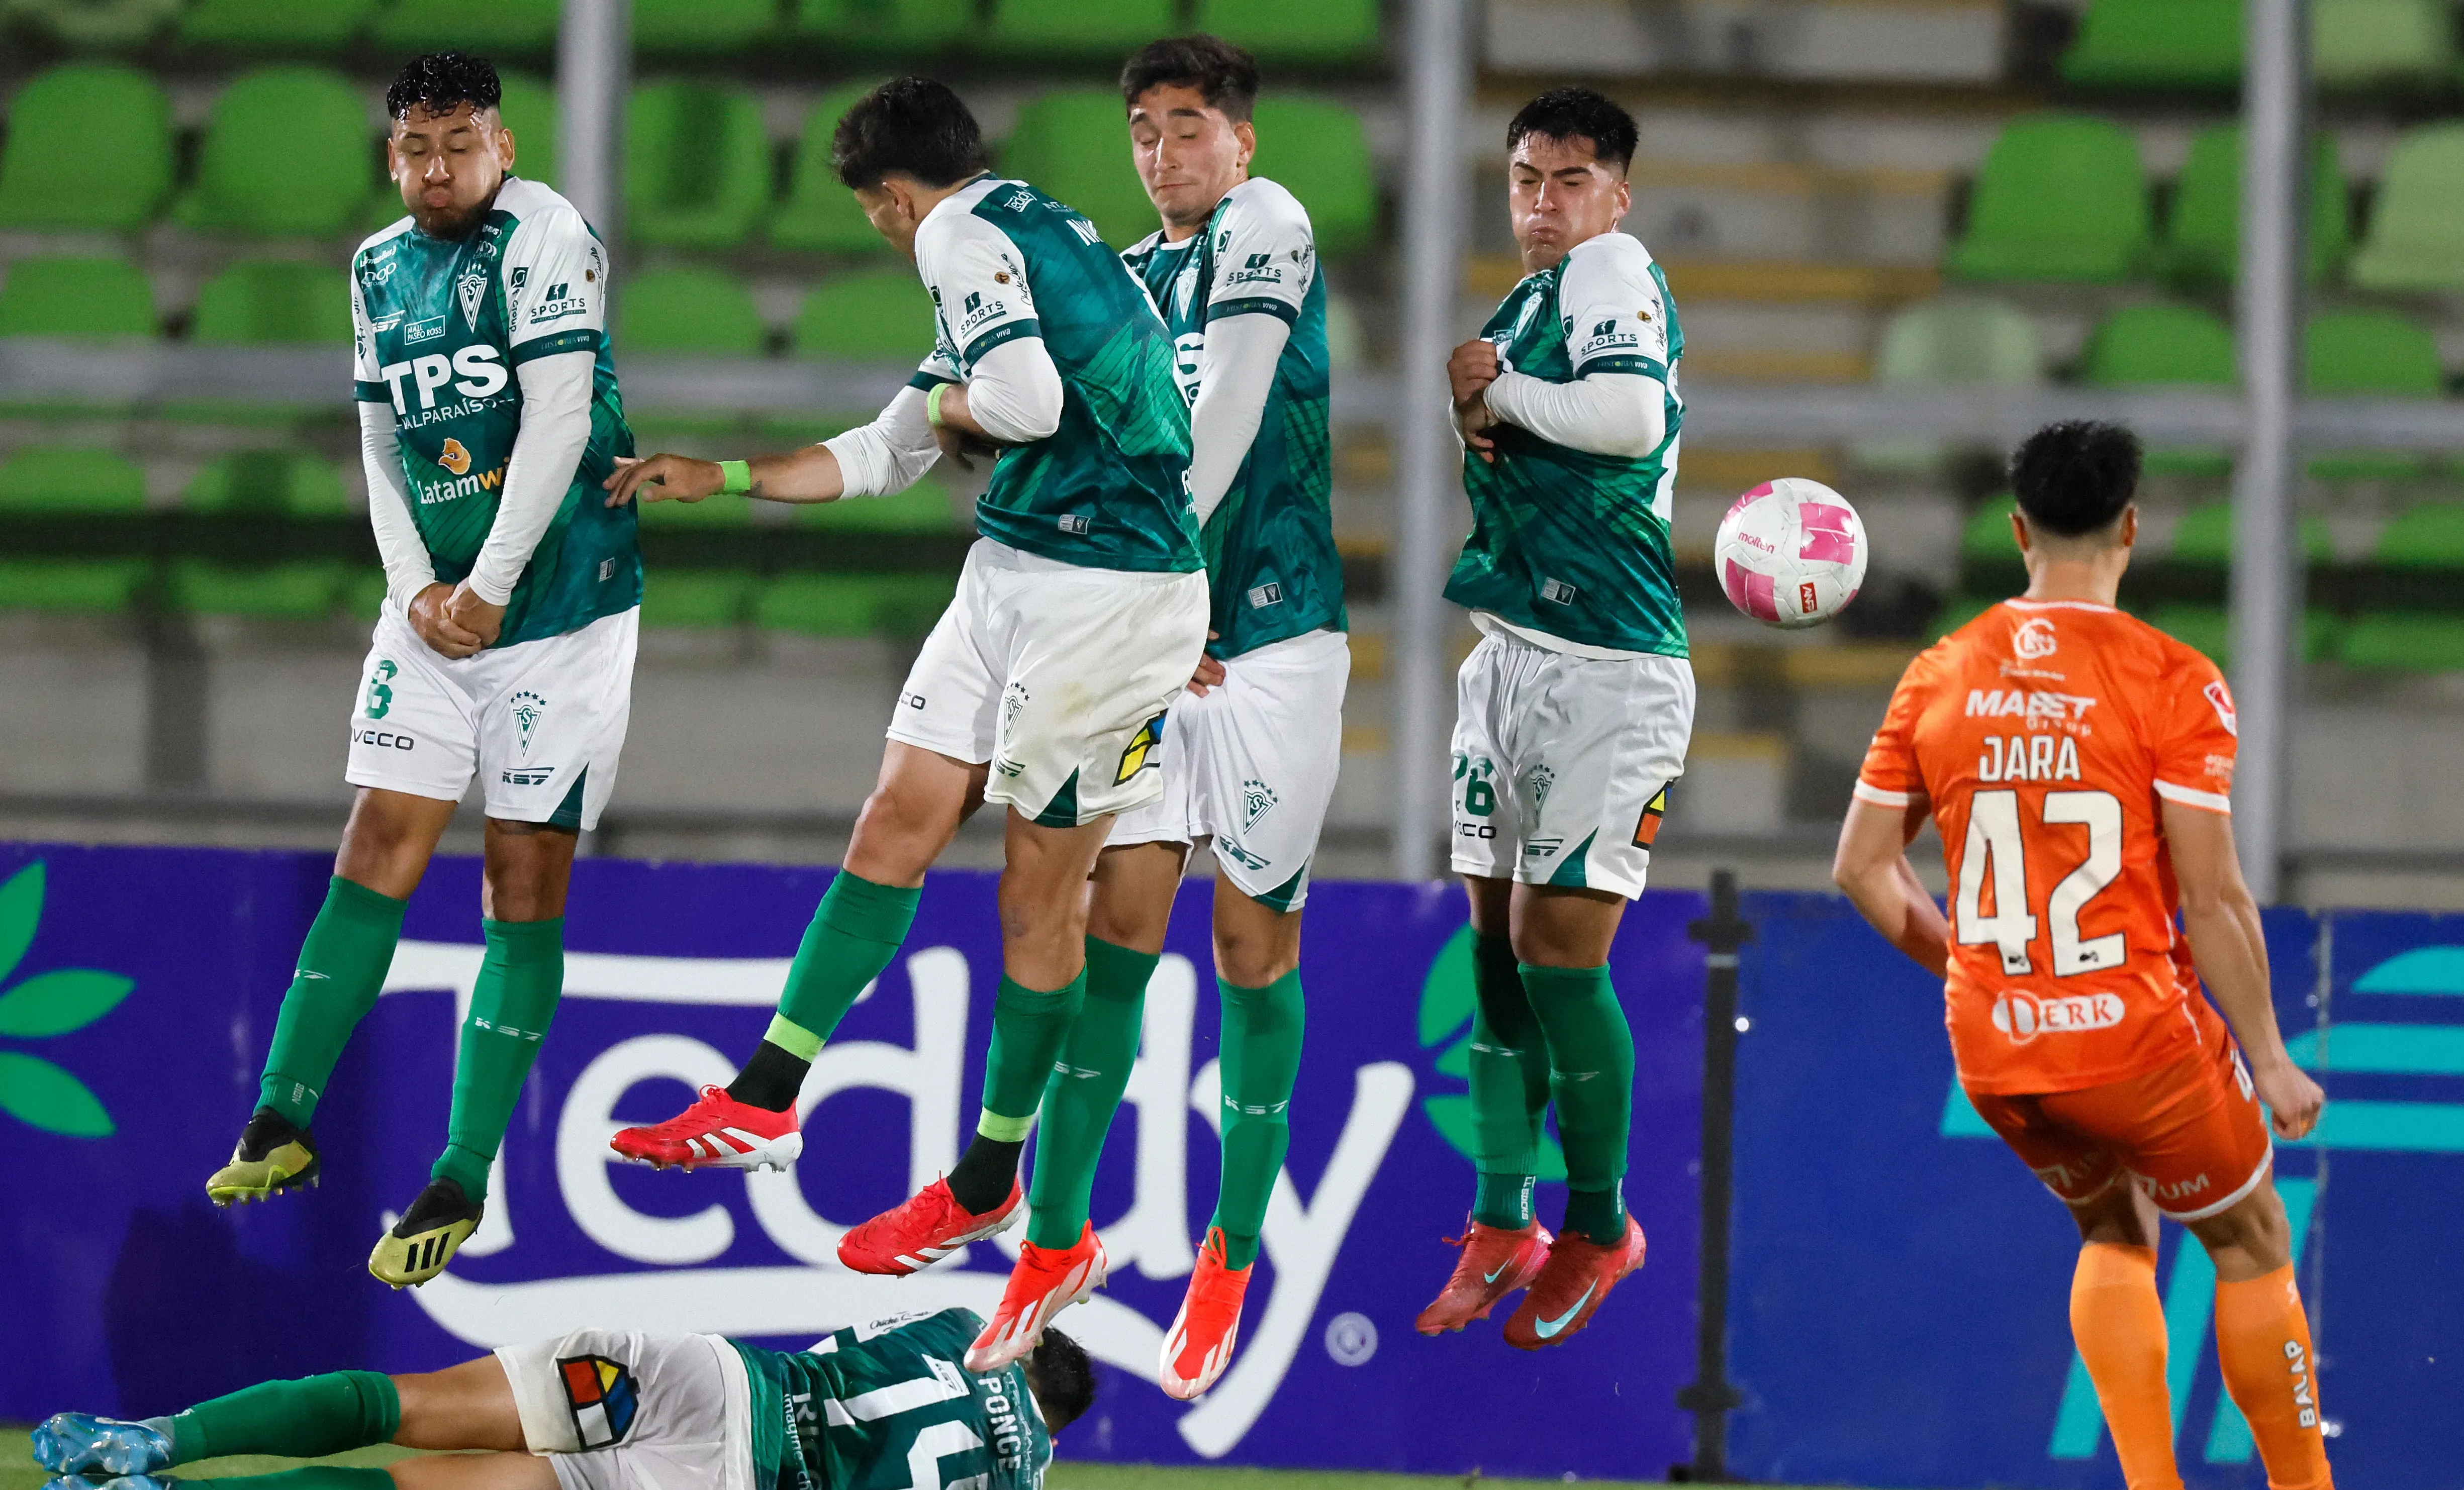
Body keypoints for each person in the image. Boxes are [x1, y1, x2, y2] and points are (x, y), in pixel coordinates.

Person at [598, 78, 1205, 1375]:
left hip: (1112, 597)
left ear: (890, 197)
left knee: (1041, 899)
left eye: (874, 213)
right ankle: (765, 1097)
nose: (883, 232)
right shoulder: (1027, 232)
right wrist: (736, 477)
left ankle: (995, 1180)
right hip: (1020, 571)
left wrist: (948, 410)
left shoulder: (956, 239)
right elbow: (892, 444)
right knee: (899, 815)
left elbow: (1022, 406)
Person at [1832, 421, 2411, 1490]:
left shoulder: (1937, 671)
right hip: (2135, 1039)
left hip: (1998, 1046)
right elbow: (2211, 897)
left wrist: (1974, 967)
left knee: (2110, 1228)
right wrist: (2267, 1056)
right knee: (2248, 1237)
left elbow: (1861, 869)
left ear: (2016, 531)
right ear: (2131, 528)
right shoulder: (2171, 678)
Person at [843, 35, 1346, 1405]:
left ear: (1242, 140)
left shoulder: (1269, 227)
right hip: (1154, 643)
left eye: (1190, 127)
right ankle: (1051, 1238)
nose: (1165, 152)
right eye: (1143, 129)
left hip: (1272, 642)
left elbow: (1229, 411)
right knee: (1109, 928)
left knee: (1251, 946)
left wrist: (1149, 577)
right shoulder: (1117, 277)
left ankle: (1232, 1252)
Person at [203, 52, 642, 1292]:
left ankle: (461, 1171)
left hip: (560, 612)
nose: (437, 171)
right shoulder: (374, 265)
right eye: (415, 149)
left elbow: (558, 422)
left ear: (500, 144)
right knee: (377, 845)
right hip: (437, 609)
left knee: (520, 879)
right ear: (391, 152)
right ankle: (282, 1118)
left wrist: (489, 588)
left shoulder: (549, 235)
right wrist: (413, 590)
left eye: (459, 146)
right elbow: (381, 430)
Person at [1418, 88, 1689, 1350]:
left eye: (1569, 180)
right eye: (1525, 178)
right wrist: (1480, 399)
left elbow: (1629, 418)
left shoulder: (1612, 269)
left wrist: (1499, 399)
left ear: (1617, 195)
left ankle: (1598, 1221)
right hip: (1513, 657)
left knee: (1554, 954)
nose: (1542, 203)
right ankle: (1498, 1216)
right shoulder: (1527, 305)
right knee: (1491, 949)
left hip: (1608, 666)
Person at [32, 1310, 1091, 1490]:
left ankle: (157, 1438)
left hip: (717, 1389)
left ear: (1027, 1342)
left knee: (404, 1406)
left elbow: (837, 1351)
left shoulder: (968, 1329)